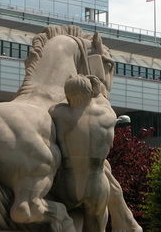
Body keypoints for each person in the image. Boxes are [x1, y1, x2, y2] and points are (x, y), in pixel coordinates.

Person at [49, 74, 116, 232]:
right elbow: (104, 103)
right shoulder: (107, 115)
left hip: (68, 184)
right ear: (89, 92)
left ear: (67, 95)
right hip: (98, 185)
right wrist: (98, 93)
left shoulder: (59, 113)